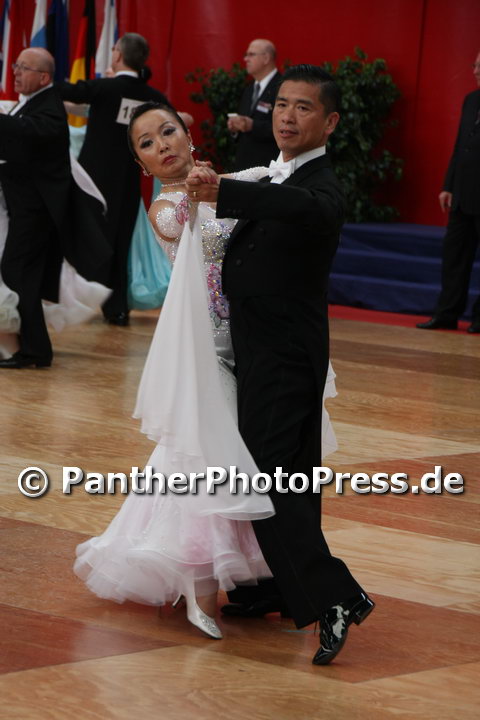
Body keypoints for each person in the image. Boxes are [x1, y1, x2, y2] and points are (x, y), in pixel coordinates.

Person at [73, 101, 339, 641]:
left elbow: (260, 184)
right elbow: (197, 216)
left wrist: (259, 176)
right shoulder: (166, 209)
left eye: (168, 131)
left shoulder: (223, 182)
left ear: (188, 134)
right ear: (142, 166)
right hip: (207, 350)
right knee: (203, 460)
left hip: (252, 343)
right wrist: (227, 185)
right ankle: (200, 591)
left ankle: (262, 581)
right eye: (147, 144)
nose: (162, 146)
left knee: (247, 460)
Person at [186, 64, 374, 665]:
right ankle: (274, 585)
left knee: (265, 476)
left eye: (303, 107)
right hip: (263, 349)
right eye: (282, 105)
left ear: (331, 121)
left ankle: (336, 595)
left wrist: (225, 192)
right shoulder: (274, 172)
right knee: (291, 475)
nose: (288, 117)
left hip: (285, 353)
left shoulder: (321, 186)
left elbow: (302, 208)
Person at [58, 33, 189, 327]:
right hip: (129, 184)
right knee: (120, 242)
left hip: (90, 184)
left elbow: (65, 91)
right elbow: (178, 121)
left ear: (117, 55)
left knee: (78, 237)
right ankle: (116, 308)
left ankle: (71, 299)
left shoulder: (104, 87)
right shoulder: (153, 97)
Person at [0, 48, 72, 369]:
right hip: (24, 207)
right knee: (20, 273)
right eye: (15, 65)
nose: (15, 72)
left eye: (23, 68)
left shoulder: (50, 107)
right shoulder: (32, 103)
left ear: (43, 77)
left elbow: (30, 131)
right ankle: (33, 347)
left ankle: (35, 350)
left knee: (17, 271)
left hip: (35, 210)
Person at [417, 52, 480, 334]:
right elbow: (460, 145)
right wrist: (448, 185)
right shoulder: (471, 100)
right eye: (474, 65)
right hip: (462, 194)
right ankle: (447, 313)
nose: (475, 70)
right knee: (454, 257)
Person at [228, 38, 282, 171]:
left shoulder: (282, 87)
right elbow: (244, 125)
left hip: (269, 167)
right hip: (244, 167)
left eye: (251, 54)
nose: (246, 59)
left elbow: (285, 127)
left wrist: (253, 126)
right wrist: (235, 128)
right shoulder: (249, 89)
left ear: (266, 58)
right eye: (246, 55)